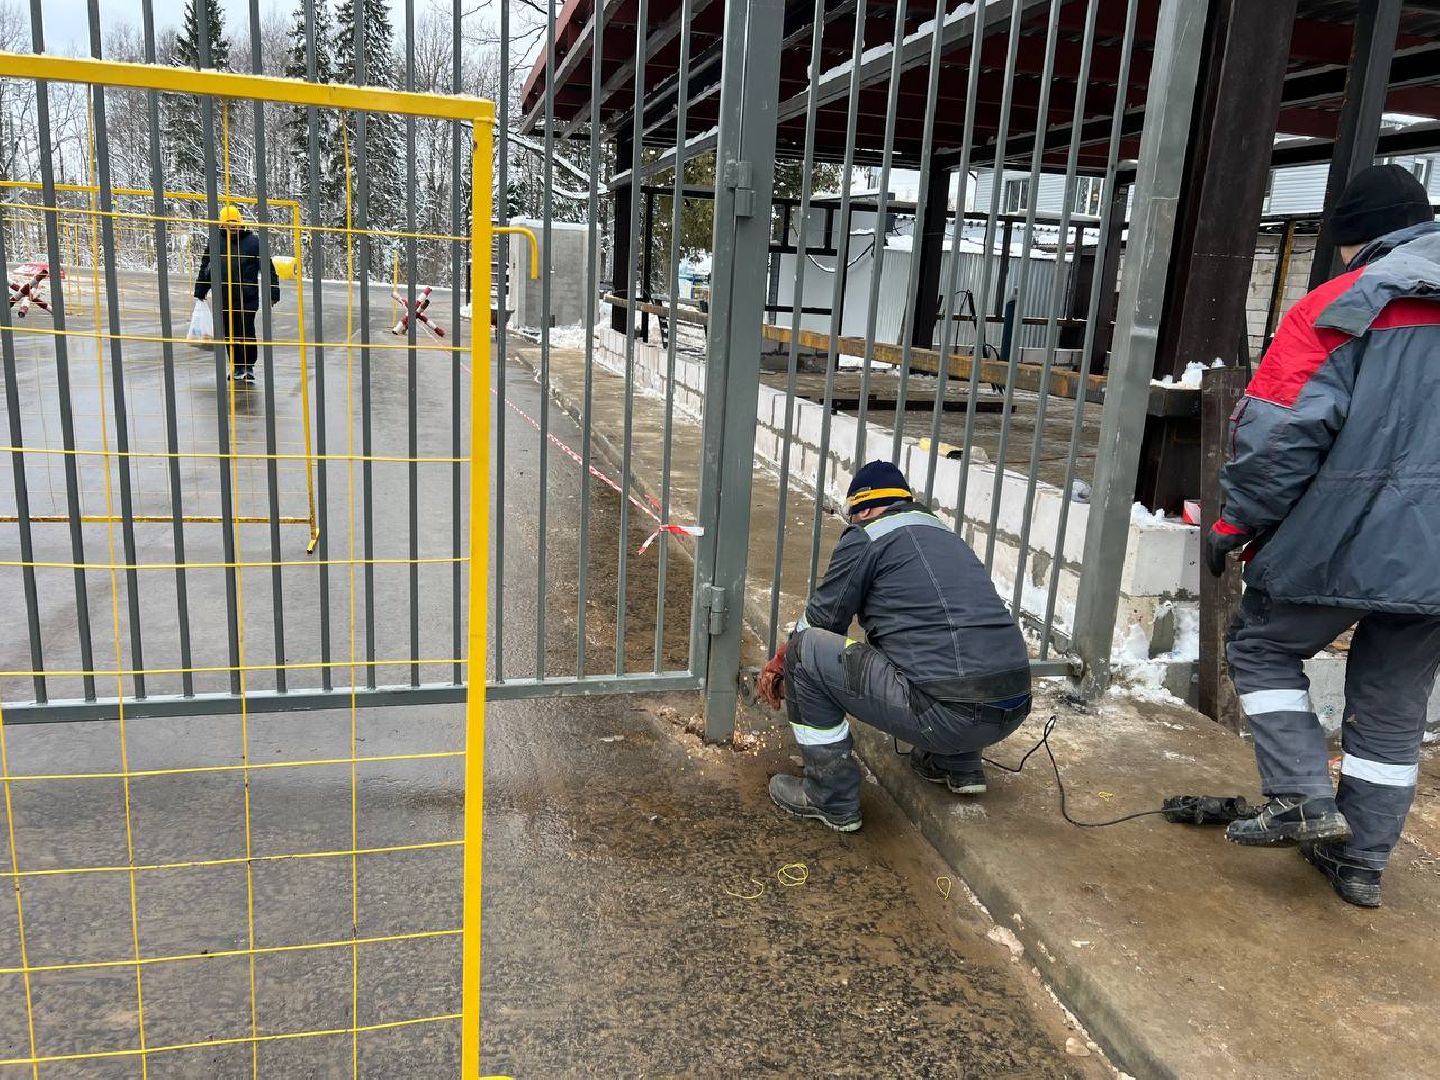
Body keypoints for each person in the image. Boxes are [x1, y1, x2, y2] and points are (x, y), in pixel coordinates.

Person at [1207, 163, 1440, 907]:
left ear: (1353, 238)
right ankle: (1360, 862)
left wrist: (1236, 519)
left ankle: (1303, 796)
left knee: (1261, 646)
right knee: (1394, 702)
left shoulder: (1345, 302)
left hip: (1352, 532)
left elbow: (1279, 435)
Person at [756, 461, 1032, 832]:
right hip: (1012, 707)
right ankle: (957, 765)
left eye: (852, 515)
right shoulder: (944, 535)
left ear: (864, 509)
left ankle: (829, 797)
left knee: (805, 652)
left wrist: (781, 661)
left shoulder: (868, 535)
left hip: (947, 717)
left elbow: (823, 621)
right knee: (946, 646)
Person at [193, 204, 281, 382]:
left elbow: (268, 269)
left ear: (241, 223)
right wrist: (201, 290)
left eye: (234, 223)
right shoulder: (215, 241)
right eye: (228, 224)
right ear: (222, 225)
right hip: (223, 297)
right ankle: (237, 366)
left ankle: (248, 367)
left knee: (246, 331)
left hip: (247, 297)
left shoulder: (254, 242)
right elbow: (206, 267)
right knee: (229, 333)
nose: (232, 227)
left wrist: (273, 292)